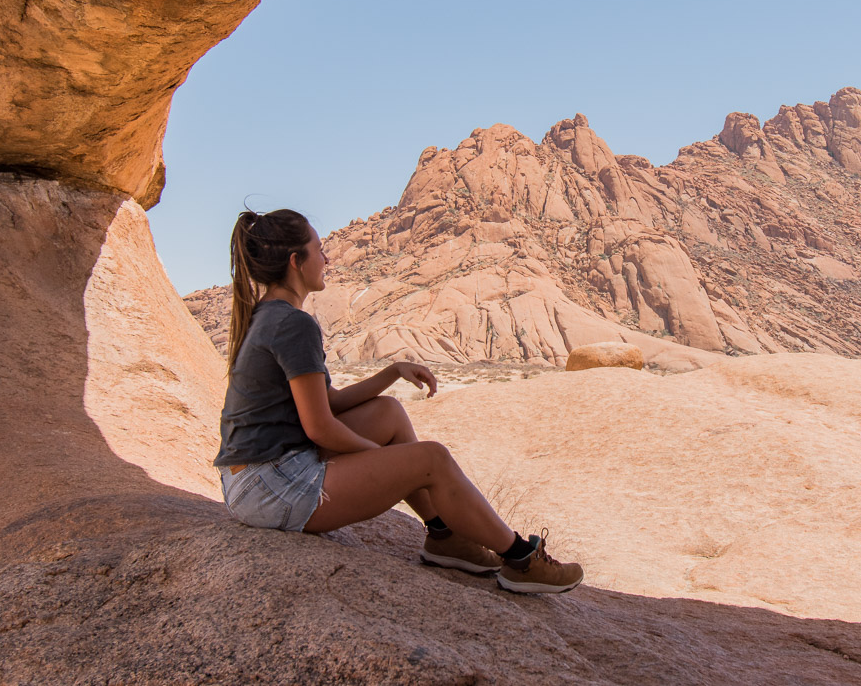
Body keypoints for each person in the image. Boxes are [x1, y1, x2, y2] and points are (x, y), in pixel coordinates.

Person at [212, 208, 583, 594]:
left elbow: (330, 402)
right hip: (271, 487)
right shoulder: (293, 323)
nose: (327, 258)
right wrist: (379, 456)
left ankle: (444, 536)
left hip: (259, 478)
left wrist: (392, 372)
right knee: (430, 459)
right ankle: (521, 559)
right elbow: (320, 427)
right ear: (295, 261)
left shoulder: (272, 315)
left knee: (389, 412)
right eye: (319, 249)